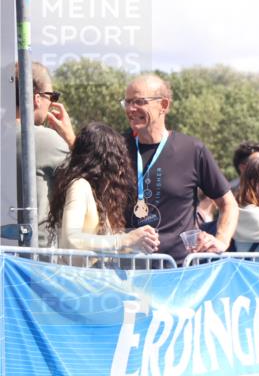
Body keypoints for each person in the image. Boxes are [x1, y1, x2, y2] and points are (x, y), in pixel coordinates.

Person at [122, 74, 237, 263]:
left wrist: (222, 240)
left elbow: (228, 203)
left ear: (164, 105)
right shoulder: (117, 148)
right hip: (129, 269)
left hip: (179, 271)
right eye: (127, 102)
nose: (131, 109)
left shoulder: (191, 149)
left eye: (139, 102)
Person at [43, 122, 158, 255]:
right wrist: (125, 240)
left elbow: (103, 246)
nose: (122, 168)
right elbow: (71, 239)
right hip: (78, 275)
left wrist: (137, 242)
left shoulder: (99, 195)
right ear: (105, 160)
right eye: (118, 159)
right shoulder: (80, 186)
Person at [15, 62, 75, 246]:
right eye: (52, 96)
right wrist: (70, 136)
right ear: (37, 98)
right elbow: (91, 173)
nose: (53, 103)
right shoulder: (45, 139)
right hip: (34, 256)